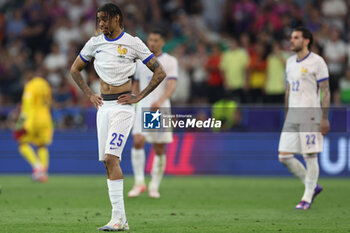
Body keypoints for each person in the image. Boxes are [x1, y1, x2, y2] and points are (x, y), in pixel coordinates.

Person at [70, 3, 166, 231]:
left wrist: (139, 96)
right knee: (107, 161)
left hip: (123, 108)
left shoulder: (132, 42)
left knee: (112, 158)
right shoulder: (95, 43)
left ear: (116, 18)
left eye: (104, 19)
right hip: (103, 107)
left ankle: (118, 218)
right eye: (98, 20)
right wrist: (89, 94)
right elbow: (74, 69)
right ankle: (121, 220)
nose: (101, 24)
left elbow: (159, 71)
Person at [278, 27, 330, 210]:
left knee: (309, 155)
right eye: (291, 37)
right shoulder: (290, 62)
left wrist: (324, 118)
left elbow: (325, 90)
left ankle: (306, 198)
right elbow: (288, 89)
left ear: (306, 40)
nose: (291, 40)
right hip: (293, 114)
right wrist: (286, 112)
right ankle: (313, 185)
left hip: (310, 114)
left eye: (296, 37)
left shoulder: (317, 62)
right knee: (284, 156)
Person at [127, 29, 178, 199]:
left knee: (158, 147)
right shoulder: (141, 61)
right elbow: (135, 83)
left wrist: (161, 100)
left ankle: (154, 186)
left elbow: (171, 84)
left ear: (163, 42)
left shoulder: (169, 61)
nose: (152, 43)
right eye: (150, 40)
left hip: (158, 108)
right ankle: (139, 182)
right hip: (143, 106)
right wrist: (134, 101)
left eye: (156, 40)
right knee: (138, 140)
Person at [13, 70, 53, 182]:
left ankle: (37, 167)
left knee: (22, 143)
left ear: (27, 76)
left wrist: (21, 123)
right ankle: (43, 173)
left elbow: (27, 107)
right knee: (42, 146)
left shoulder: (30, 86)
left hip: (33, 119)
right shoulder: (45, 85)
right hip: (46, 118)